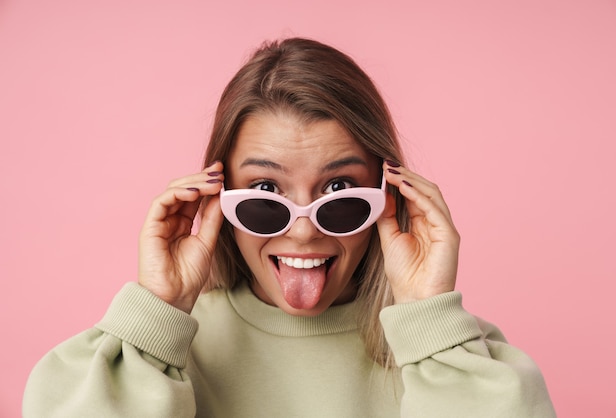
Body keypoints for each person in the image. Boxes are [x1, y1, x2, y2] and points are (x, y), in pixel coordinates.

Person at [23, 37, 556, 417]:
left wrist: (427, 318)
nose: (303, 232)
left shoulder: (453, 355)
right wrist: (155, 315)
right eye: (265, 194)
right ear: (217, 197)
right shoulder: (160, 354)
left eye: (339, 192)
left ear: (389, 197)